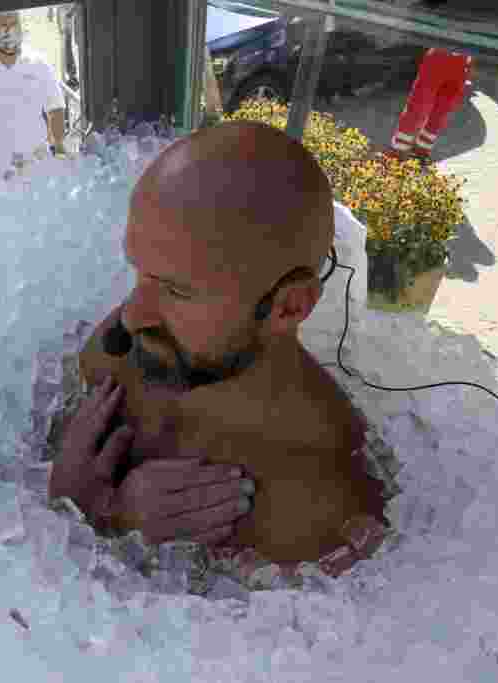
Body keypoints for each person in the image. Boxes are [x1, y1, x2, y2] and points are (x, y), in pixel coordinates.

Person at [48, 121, 387, 569]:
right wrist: (83, 508)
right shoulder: (131, 346)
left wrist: (99, 528)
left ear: (289, 307)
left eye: (177, 291)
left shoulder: (319, 504)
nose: (131, 315)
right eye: (140, 272)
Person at [0, 11, 67, 184]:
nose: (8, 30)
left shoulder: (38, 62)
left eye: (13, 23)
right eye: (2, 24)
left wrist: (59, 148)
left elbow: (55, 108)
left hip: (38, 163)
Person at [389, 48, 473, 162]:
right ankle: (402, 150)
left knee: (439, 110)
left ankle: (416, 150)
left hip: (458, 62)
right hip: (447, 58)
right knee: (422, 106)